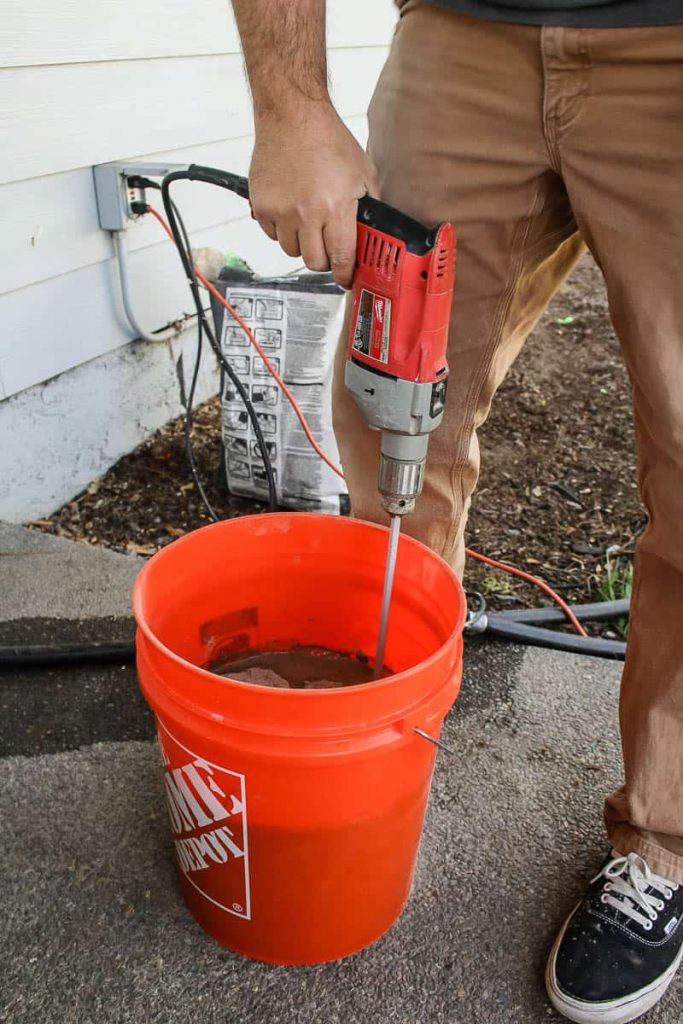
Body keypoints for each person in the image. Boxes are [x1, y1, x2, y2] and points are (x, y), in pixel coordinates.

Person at [230, 1, 683, 1020]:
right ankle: (367, 758)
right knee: (394, 416)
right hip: (462, 24)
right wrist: (289, 103)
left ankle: (664, 842)